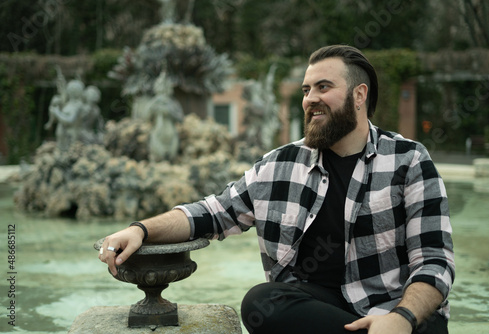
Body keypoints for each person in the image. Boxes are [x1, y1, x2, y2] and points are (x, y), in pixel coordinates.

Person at [99, 45, 455, 334]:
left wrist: (400, 319)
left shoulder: (408, 161)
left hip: (397, 310)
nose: (310, 98)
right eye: (306, 90)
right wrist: (140, 229)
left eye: (323, 87)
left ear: (359, 95)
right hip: (321, 310)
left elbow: (435, 263)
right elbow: (211, 213)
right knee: (261, 303)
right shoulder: (279, 164)